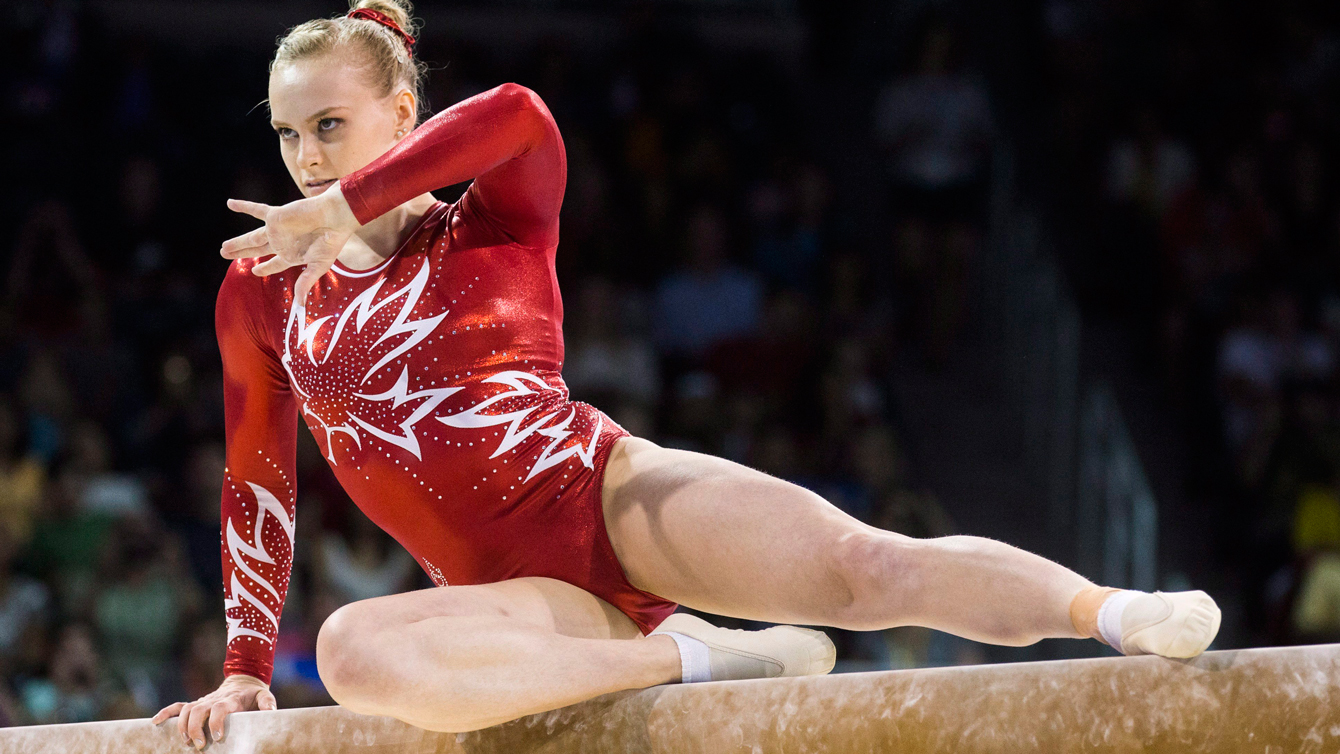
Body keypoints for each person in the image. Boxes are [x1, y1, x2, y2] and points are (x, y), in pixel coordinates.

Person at [154, 1, 1222, 748]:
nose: (304, 156)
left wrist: (346, 207)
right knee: (348, 649)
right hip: (513, 605)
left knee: (865, 567)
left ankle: (1112, 610)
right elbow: (257, 480)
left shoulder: (492, 220)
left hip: (608, 497)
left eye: (329, 126)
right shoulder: (261, 295)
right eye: (289, 132)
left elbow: (520, 114)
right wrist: (248, 659)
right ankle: (696, 657)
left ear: (402, 116)